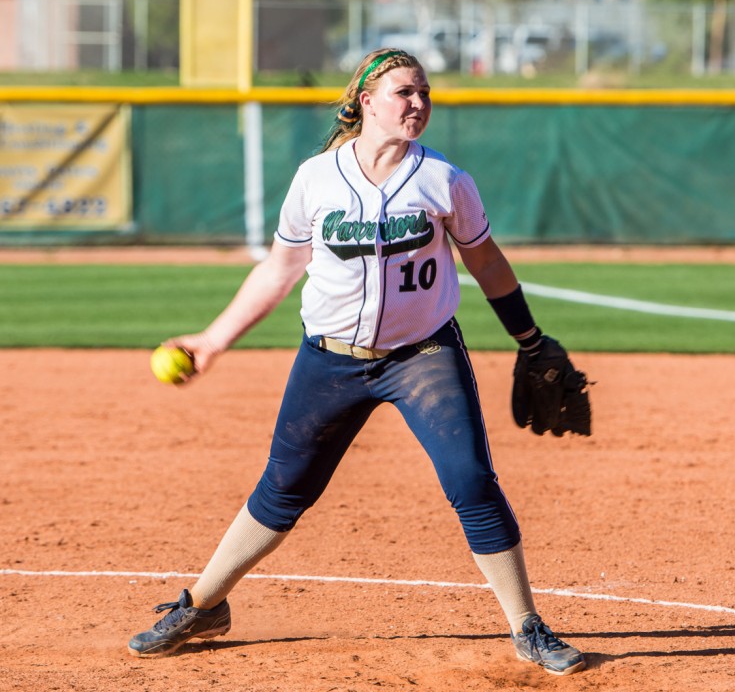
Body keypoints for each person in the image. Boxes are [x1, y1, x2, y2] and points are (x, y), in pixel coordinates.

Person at [127, 48, 587, 676]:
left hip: (422, 354)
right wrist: (212, 340)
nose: (418, 104)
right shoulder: (316, 178)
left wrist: (530, 340)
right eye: (404, 92)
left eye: (424, 92)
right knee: (284, 488)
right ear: (366, 101)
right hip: (331, 359)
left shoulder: (444, 180)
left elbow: (485, 262)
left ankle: (527, 625)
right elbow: (280, 268)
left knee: (471, 482)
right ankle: (205, 604)